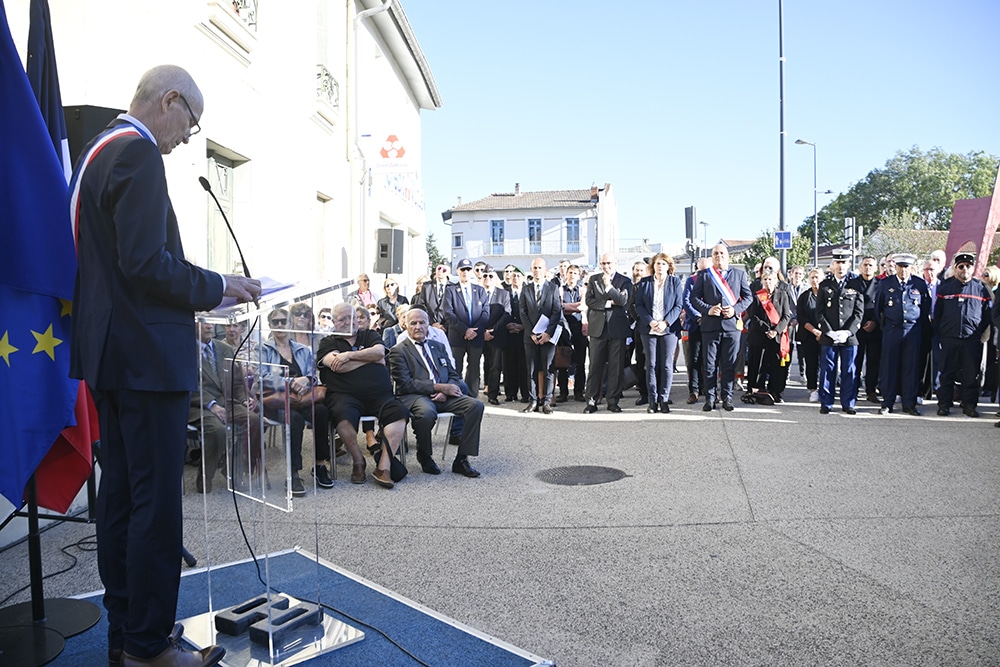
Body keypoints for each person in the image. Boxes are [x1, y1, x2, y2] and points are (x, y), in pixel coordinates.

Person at [70, 65, 261, 666]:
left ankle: (126, 637)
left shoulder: (95, 152)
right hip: (146, 360)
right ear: (169, 100)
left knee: (123, 502)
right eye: (190, 122)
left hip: (109, 356)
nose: (186, 138)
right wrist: (220, 284)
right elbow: (147, 266)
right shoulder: (138, 155)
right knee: (155, 507)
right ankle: (151, 648)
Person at [317, 303, 408, 488]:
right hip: (344, 395)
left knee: (399, 413)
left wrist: (349, 355)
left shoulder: (370, 334)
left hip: (379, 395)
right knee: (341, 418)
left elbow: (380, 352)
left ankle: (384, 467)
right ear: (334, 322)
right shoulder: (328, 342)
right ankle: (359, 461)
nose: (347, 322)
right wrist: (370, 360)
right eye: (342, 319)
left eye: (351, 317)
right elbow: (337, 365)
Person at [389, 308, 484, 477]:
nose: (418, 326)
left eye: (422, 322)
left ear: (428, 325)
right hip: (415, 396)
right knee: (426, 412)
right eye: (413, 323)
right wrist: (439, 387)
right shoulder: (399, 351)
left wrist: (446, 391)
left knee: (475, 406)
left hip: (443, 395)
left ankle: (462, 459)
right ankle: (425, 455)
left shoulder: (438, 346)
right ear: (406, 326)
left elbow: (454, 374)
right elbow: (405, 384)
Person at [260, 308, 330, 495]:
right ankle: (293, 473)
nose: (281, 325)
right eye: (276, 322)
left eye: (284, 321)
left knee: (321, 412)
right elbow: (262, 378)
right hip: (277, 399)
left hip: (302, 397)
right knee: (296, 420)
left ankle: (320, 465)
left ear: (290, 324)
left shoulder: (301, 350)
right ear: (270, 325)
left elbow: (312, 375)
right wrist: (291, 382)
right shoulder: (263, 349)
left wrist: (306, 380)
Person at [190, 322, 262, 494]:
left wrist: (244, 398)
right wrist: (211, 405)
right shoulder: (184, 350)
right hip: (199, 405)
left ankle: (235, 468)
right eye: (204, 323)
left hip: (227, 402)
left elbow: (237, 381)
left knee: (253, 420)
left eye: (211, 323)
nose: (209, 326)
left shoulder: (224, 349)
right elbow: (187, 384)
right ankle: (206, 477)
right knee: (217, 430)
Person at [690, 244, 752, 412]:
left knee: (729, 365)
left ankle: (727, 397)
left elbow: (748, 298)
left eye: (722, 253)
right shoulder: (704, 275)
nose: (719, 256)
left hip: (731, 327)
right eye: (716, 253)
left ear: (728, 256)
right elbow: (694, 298)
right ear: (712, 257)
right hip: (710, 326)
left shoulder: (739, 274)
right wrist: (707, 309)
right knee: (710, 365)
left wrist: (735, 310)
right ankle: (710, 398)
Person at [934, 252, 992, 418]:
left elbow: (987, 315)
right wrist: (942, 333)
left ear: (973, 268)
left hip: (971, 340)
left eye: (968, 266)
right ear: (955, 268)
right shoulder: (945, 287)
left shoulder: (981, 289)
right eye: (961, 266)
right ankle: (944, 404)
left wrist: (979, 334)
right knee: (946, 374)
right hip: (949, 338)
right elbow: (938, 314)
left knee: (970, 375)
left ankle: (969, 405)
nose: (964, 269)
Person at [873, 253, 930, 415]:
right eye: (900, 267)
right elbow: (879, 309)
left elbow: (925, 307)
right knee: (889, 367)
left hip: (912, 331)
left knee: (910, 368)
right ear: (895, 266)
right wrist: (887, 326)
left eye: (906, 267)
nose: (903, 270)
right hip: (892, 330)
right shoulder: (885, 283)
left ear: (911, 268)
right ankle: (887, 402)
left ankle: (909, 403)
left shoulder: (919, 284)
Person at [815, 249, 865, 414]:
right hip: (829, 335)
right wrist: (828, 331)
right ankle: (826, 402)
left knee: (849, 370)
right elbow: (819, 312)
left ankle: (848, 403)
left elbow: (859, 313)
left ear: (849, 264)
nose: (840, 266)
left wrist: (847, 332)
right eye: (838, 262)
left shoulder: (856, 284)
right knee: (828, 369)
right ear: (833, 264)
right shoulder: (824, 285)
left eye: (844, 262)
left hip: (849, 337)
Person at [583, 254, 633, 413]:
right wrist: (608, 303)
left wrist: (609, 287)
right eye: (603, 263)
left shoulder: (624, 280)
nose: (606, 266)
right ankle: (591, 400)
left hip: (617, 329)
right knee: (595, 366)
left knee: (615, 367)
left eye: (609, 263)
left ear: (616, 263)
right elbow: (589, 300)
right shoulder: (594, 279)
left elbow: (623, 301)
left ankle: (613, 400)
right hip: (598, 329)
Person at [634, 254, 683, 413]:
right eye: (657, 263)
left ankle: (664, 399)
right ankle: (652, 400)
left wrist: (665, 322)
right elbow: (639, 305)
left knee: (667, 365)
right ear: (653, 266)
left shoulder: (675, 282)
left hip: (668, 329)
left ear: (668, 266)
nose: (660, 266)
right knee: (651, 364)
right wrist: (650, 321)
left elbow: (678, 305)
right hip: (649, 329)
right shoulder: (645, 282)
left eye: (663, 263)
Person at [520, 257, 564, 413]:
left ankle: (546, 401)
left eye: (540, 268)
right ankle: (533, 401)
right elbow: (523, 312)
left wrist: (548, 333)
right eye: (534, 268)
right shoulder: (526, 289)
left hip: (548, 336)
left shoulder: (553, 288)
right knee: (531, 369)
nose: (537, 271)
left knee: (548, 369)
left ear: (545, 270)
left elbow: (556, 311)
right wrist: (532, 332)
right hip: (530, 337)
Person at [745, 269, 792, 402]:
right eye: (765, 279)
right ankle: (755, 390)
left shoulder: (782, 295)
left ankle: (775, 392)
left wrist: (776, 331)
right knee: (757, 364)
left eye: (770, 279)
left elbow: (786, 316)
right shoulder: (757, 296)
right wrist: (767, 330)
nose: (768, 282)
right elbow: (754, 316)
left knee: (776, 366)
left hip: (776, 337)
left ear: (776, 282)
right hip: (759, 336)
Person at [444, 257, 489, 395]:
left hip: (476, 336)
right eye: (462, 269)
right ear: (457, 271)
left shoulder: (480, 290)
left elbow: (486, 312)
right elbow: (448, 313)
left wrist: (475, 331)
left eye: (468, 269)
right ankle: (456, 395)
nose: (465, 272)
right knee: (456, 368)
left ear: (472, 272)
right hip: (457, 336)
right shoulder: (451, 290)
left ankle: (472, 397)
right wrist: (465, 330)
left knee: (474, 368)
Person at [848, 256, 883, 403]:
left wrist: (875, 321)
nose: (868, 268)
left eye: (870, 265)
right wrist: (860, 322)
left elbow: (883, 306)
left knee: (873, 362)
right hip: (857, 328)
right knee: (856, 361)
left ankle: (871, 390)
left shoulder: (881, 284)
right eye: (865, 265)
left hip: (875, 328)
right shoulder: (852, 283)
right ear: (860, 267)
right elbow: (849, 306)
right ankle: (853, 390)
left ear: (875, 268)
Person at [481, 266, 512, 405]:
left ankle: (492, 394)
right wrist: (482, 332)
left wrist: (492, 330)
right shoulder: (477, 292)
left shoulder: (503, 293)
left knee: (495, 366)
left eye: (491, 276)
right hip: (479, 334)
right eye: (485, 275)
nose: (487, 278)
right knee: (476, 364)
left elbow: (507, 314)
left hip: (496, 335)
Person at [557, 264, 587, 403]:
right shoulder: (560, 290)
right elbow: (559, 306)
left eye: (575, 273)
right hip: (564, 328)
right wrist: (573, 307)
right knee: (563, 360)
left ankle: (579, 391)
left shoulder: (582, 290)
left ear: (579, 275)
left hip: (579, 328)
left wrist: (568, 307)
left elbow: (583, 306)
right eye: (570, 272)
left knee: (580, 361)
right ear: (566, 274)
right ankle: (563, 392)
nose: (572, 275)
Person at [682, 257, 709, 404]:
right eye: (701, 271)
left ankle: (708, 388)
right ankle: (694, 390)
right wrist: (698, 317)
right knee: (694, 358)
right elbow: (686, 301)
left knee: (709, 358)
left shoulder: (715, 281)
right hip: (695, 324)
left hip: (711, 324)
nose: (703, 274)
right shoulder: (691, 280)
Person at [796, 269, 825, 402]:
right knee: (811, 363)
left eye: (817, 277)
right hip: (809, 335)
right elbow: (801, 317)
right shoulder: (804, 296)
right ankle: (813, 389)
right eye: (812, 277)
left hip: (826, 335)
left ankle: (825, 389)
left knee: (826, 364)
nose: (815, 280)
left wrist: (823, 332)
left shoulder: (828, 294)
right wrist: (814, 331)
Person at [503, 266, 530, 402]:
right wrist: (507, 325)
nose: (515, 278)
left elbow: (531, 312)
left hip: (523, 333)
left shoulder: (527, 292)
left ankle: (525, 393)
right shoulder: (504, 293)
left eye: (518, 276)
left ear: (523, 278)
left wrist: (523, 326)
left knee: (523, 364)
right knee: (509, 364)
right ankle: (510, 393)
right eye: (513, 276)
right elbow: (501, 312)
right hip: (508, 334)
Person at [419, 264, 452, 329]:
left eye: (444, 270)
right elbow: (422, 307)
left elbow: (455, 309)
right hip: (430, 326)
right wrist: (432, 323)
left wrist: (445, 326)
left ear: (448, 273)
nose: (440, 271)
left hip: (448, 328)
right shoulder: (427, 286)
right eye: (439, 268)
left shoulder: (453, 287)